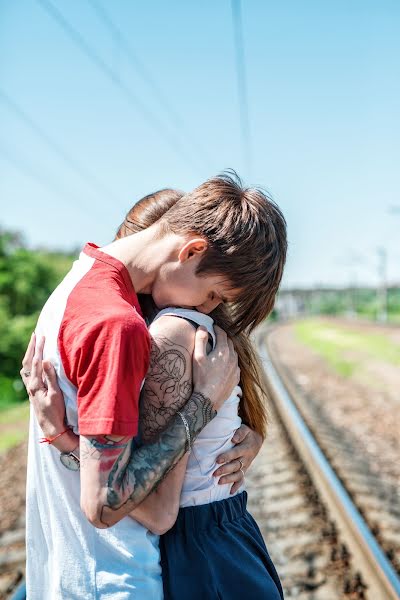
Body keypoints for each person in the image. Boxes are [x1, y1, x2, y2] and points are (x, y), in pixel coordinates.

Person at [22, 172, 287, 598]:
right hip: (114, 579)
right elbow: (108, 503)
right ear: (193, 249)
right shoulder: (117, 325)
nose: (207, 308)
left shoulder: (75, 284)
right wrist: (204, 402)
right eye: (214, 294)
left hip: (70, 571)